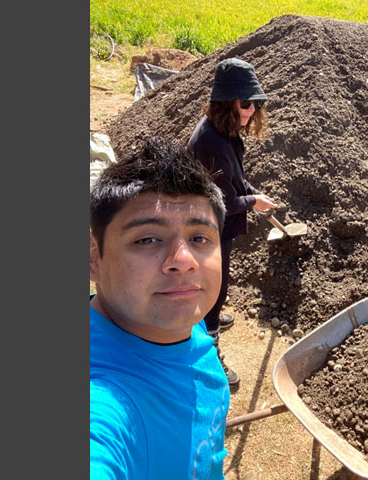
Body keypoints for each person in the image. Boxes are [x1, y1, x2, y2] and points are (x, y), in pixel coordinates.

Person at [90, 137, 230, 479]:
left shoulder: (182, 320)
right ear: (94, 258)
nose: (183, 262)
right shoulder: (104, 407)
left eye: (200, 238)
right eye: (147, 239)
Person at [187, 57, 277, 388]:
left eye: (255, 103)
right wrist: (253, 202)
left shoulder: (225, 133)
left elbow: (234, 181)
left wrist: (254, 193)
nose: (251, 110)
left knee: (217, 282)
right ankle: (210, 351)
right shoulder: (211, 141)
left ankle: (210, 321)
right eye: (245, 103)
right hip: (206, 226)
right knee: (214, 287)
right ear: (227, 102)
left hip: (216, 220)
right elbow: (224, 202)